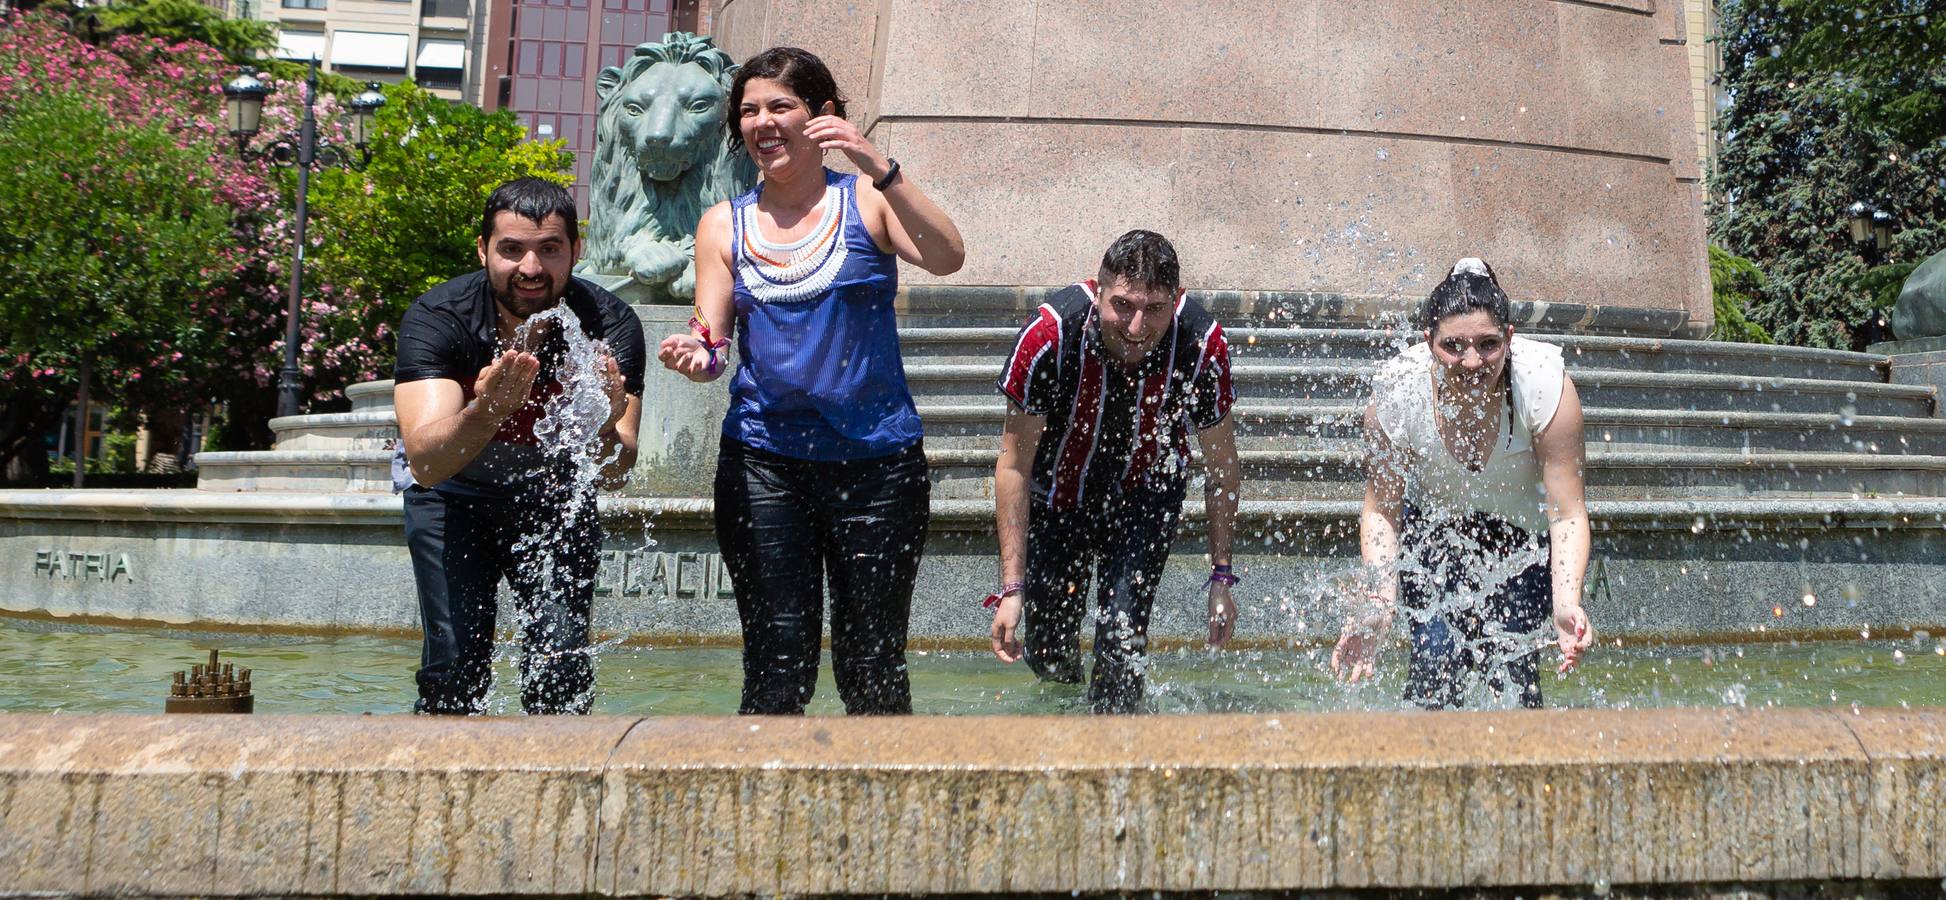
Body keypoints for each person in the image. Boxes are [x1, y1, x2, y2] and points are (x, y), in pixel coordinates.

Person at [656, 46, 965, 715]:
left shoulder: (869, 202)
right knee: (776, 661)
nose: (763, 122)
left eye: (780, 106)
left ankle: (887, 808)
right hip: (765, 467)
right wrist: (696, 356)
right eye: (749, 110)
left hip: (879, 467)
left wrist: (877, 164)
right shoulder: (723, 224)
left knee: (872, 663)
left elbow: (947, 256)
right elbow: (713, 344)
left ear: (822, 117)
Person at [392, 177, 647, 715]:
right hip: (452, 499)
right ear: (483, 249)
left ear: (576, 250)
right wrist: (487, 411)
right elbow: (427, 462)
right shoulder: (441, 319)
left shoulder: (610, 325)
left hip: (554, 498)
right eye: (512, 249)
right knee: (454, 673)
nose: (531, 269)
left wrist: (606, 420)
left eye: (549, 249)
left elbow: (616, 469)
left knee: (560, 674)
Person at [986, 230, 1243, 714]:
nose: (1136, 327)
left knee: (1121, 649)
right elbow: (1014, 465)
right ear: (1098, 290)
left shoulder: (1201, 345)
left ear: (1178, 301)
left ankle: (1119, 755)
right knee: (1050, 651)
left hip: (1145, 499)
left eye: (1156, 309)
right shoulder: (1050, 335)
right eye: (1122, 305)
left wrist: (1221, 575)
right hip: (1058, 497)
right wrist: (1012, 587)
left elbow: (1223, 465)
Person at [1331, 258, 1595, 708]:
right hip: (1433, 534)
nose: (1472, 362)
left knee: (1512, 670)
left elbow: (1567, 512)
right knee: (1435, 661)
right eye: (1453, 345)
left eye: (1488, 344)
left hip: (1522, 543)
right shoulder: (1397, 393)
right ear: (1428, 344)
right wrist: (1378, 600)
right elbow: (1381, 510)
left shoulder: (1544, 386)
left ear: (1509, 339)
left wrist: (1565, 600)